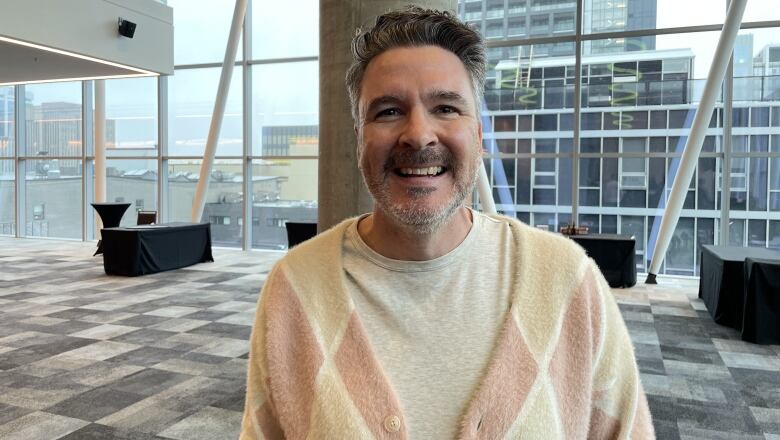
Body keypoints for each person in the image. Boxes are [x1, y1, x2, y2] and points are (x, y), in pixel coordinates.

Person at [241, 6, 654, 439]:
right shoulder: (294, 287)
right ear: (360, 139)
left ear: (477, 135)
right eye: (387, 112)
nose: (418, 135)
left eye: (446, 107)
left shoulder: (567, 279)